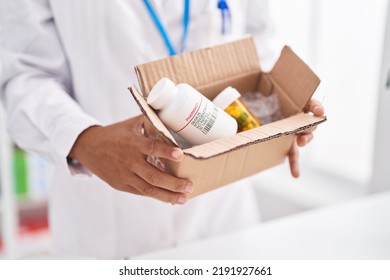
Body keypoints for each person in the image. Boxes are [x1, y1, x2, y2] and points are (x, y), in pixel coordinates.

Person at [0, 0, 324, 259]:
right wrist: (83, 138)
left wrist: (282, 110)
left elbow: (260, 44)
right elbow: (23, 76)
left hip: (222, 218)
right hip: (107, 226)